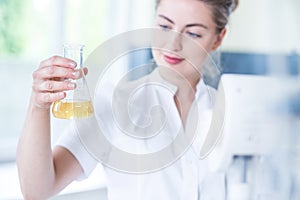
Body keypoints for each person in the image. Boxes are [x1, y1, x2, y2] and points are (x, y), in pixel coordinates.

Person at [17, 0, 238, 199]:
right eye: (164, 26)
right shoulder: (115, 103)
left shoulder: (232, 112)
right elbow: (37, 190)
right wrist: (38, 106)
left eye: (192, 34)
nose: (172, 44)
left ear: (218, 38)